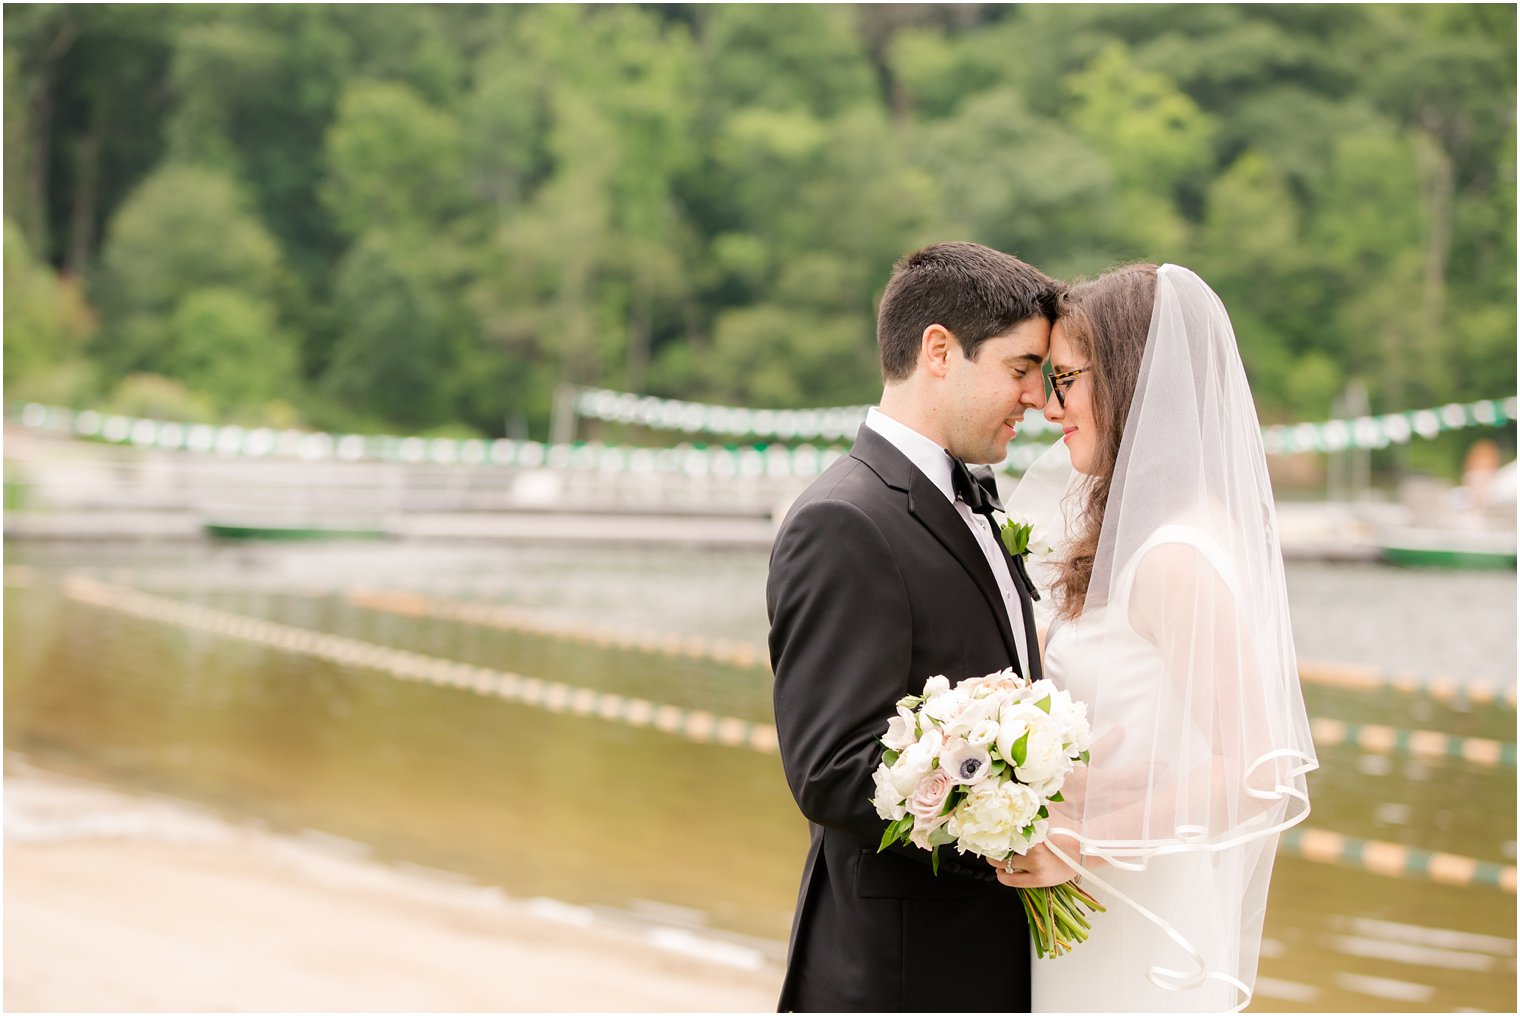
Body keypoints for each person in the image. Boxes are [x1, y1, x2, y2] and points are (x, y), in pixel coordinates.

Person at [766, 241, 1073, 1011]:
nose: (1035, 397)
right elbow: (833, 770)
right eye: (1019, 368)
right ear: (940, 350)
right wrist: (1009, 824)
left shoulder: (977, 495)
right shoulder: (845, 519)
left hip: (985, 956)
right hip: (900, 972)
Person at [1006, 263, 1319, 1012]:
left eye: (1068, 380)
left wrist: (1081, 839)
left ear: (1126, 380)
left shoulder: (1173, 557)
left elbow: (1251, 772)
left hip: (1133, 913)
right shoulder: (1144, 536)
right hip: (1109, 902)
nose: (1054, 409)